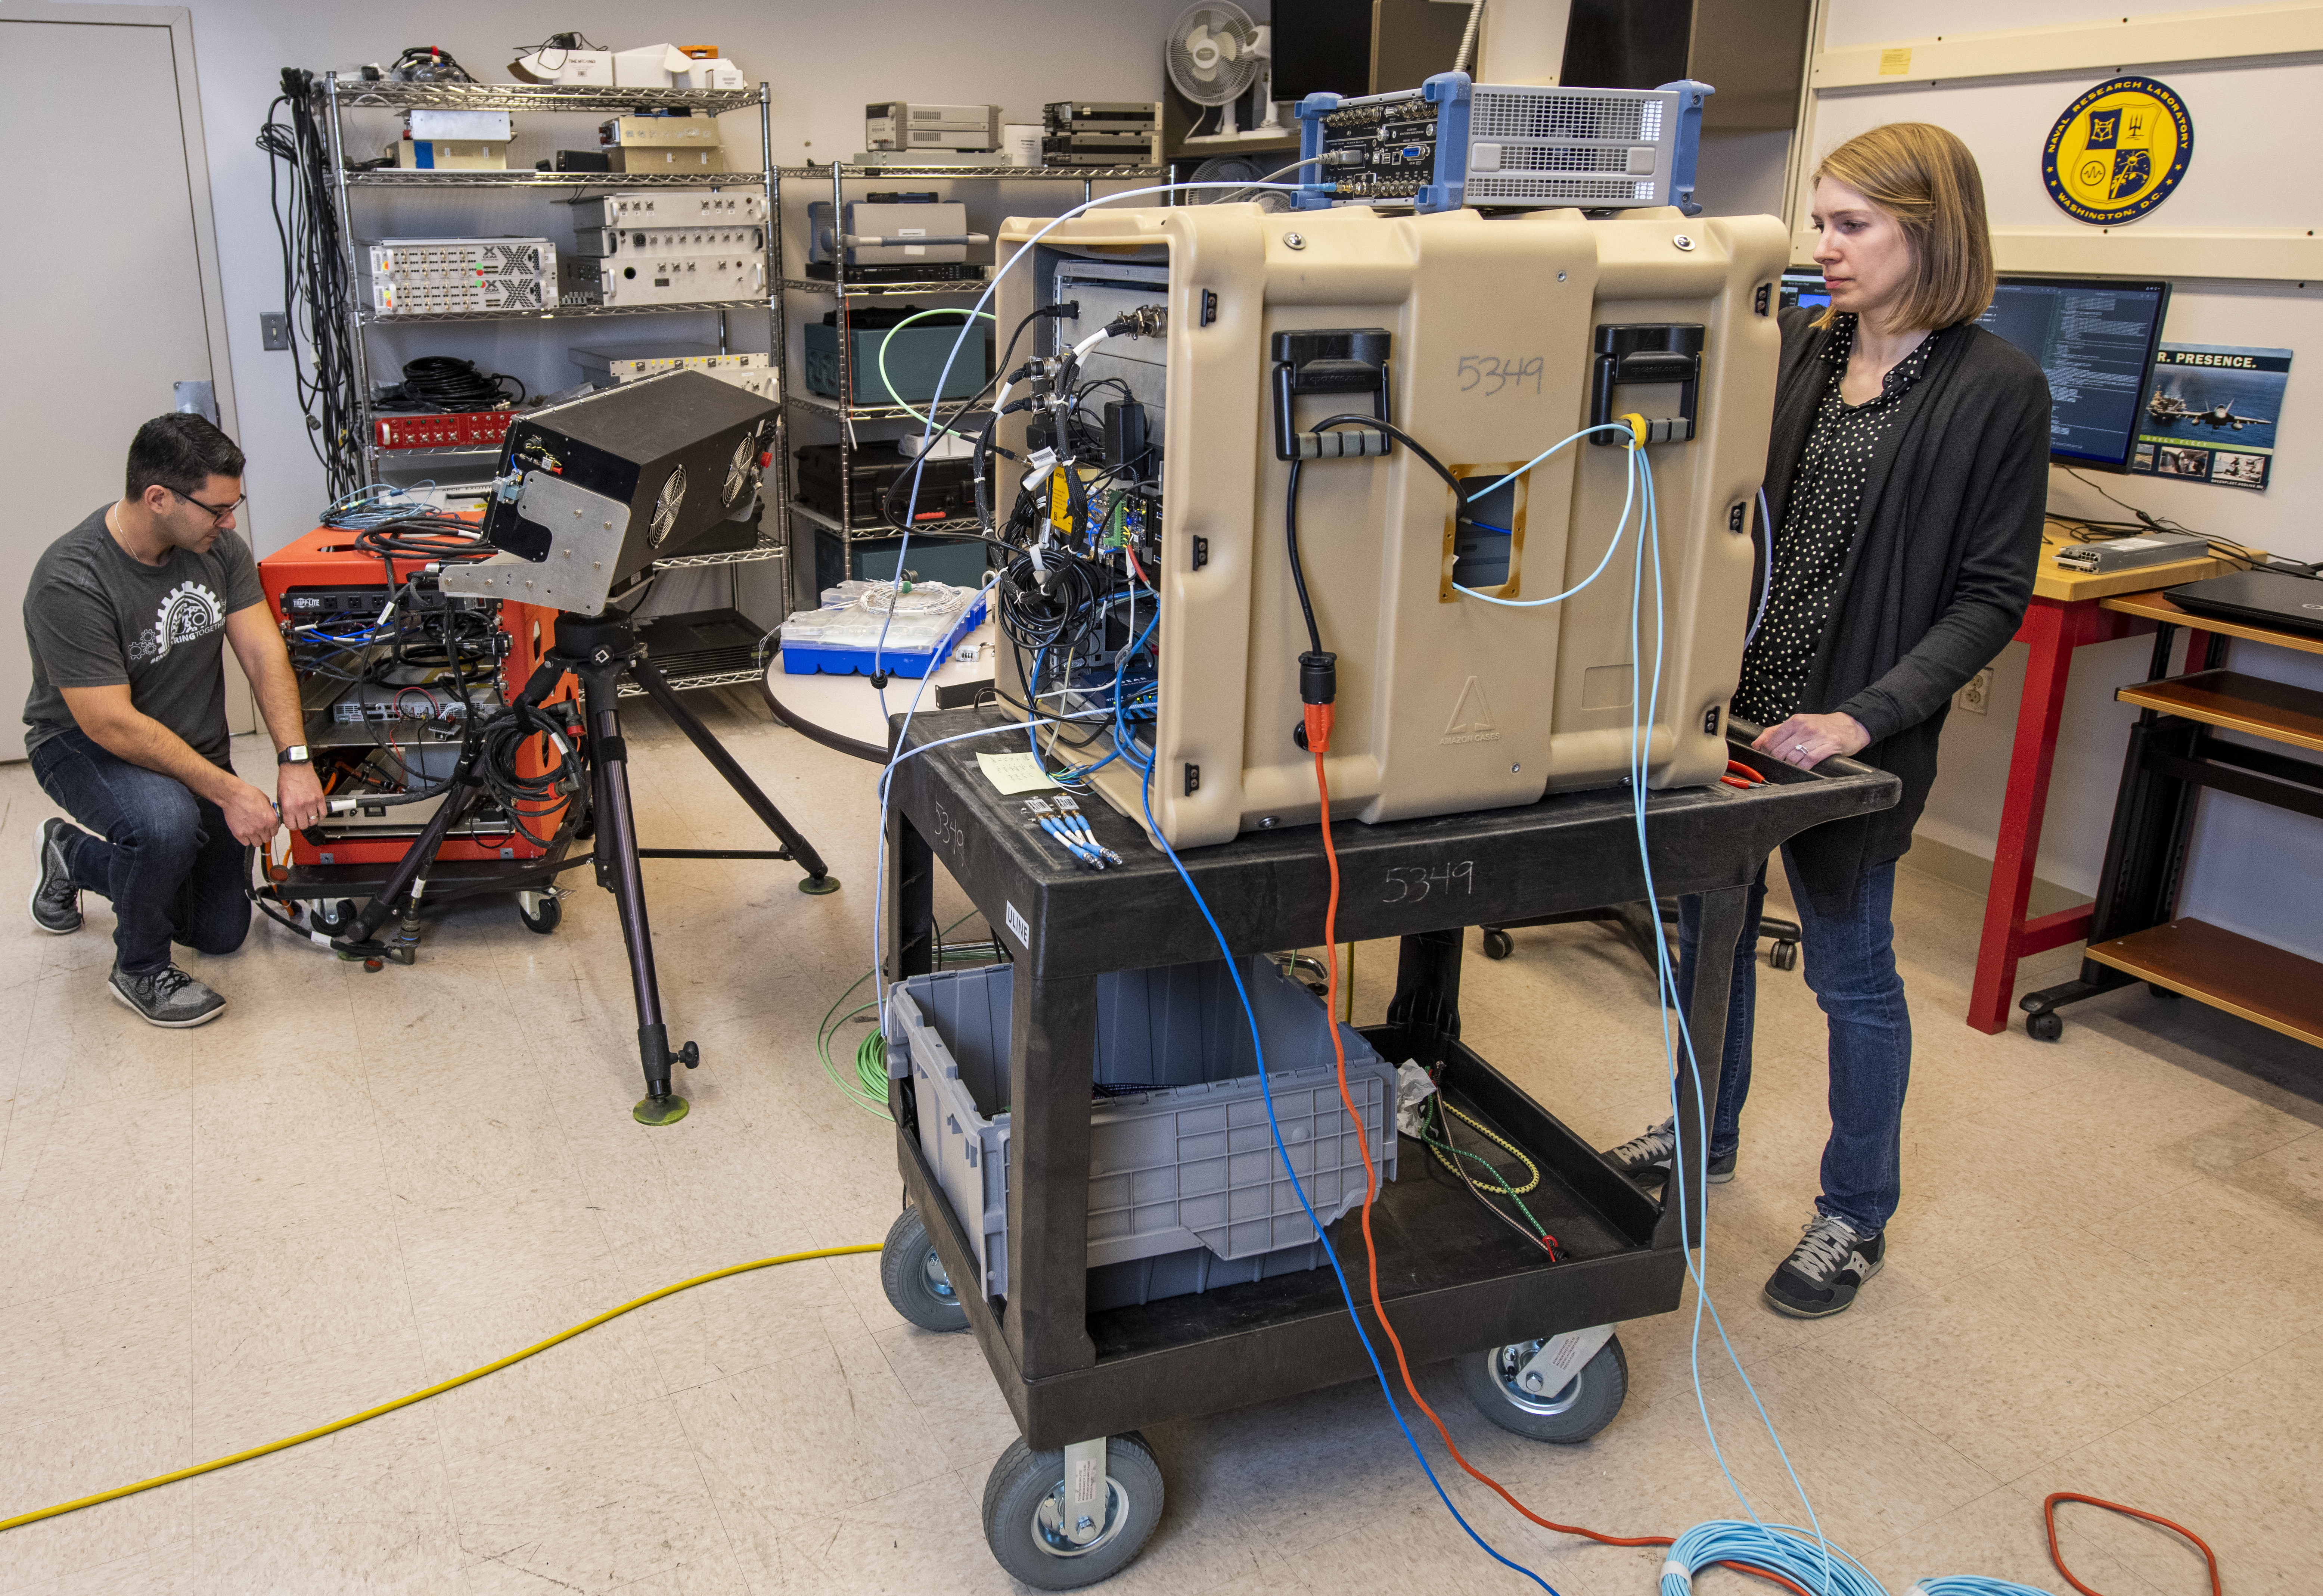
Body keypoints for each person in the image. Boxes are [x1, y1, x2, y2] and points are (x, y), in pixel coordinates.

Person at [1604, 124, 2050, 1317]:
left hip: (1850, 734)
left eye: (1851, 226)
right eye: (1822, 222)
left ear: (1929, 232)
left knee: (1850, 975)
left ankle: (1854, 1213)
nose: (1824, 248)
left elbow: (1989, 595)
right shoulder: (1807, 348)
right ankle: (1701, 1138)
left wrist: (1863, 719)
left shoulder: (1994, 389)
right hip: (1739, 710)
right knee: (1711, 940)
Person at [24, 415, 326, 1026]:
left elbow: (263, 653)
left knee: (218, 932)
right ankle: (138, 968)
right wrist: (229, 790)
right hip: (86, 746)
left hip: (189, 748)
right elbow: (110, 723)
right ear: (158, 498)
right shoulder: (72, 579)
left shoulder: (218, 551)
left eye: (234, 506)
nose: (230, 522)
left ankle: (72, 856)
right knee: (166, 823)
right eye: (217, 509)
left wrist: (294, 760)